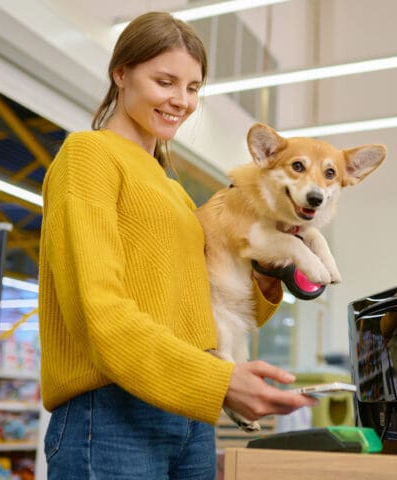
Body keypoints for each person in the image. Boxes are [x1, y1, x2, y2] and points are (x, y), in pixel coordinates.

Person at [37, 11, 316, 480]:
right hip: (111, 418)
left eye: (192, 88)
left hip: (190, 415)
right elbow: (99, 313)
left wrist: (273, 264)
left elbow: (215, 304)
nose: (180, 101)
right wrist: (220, 382)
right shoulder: (89, 156)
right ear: (120, 73)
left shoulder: (175, 192)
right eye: (165, 81)